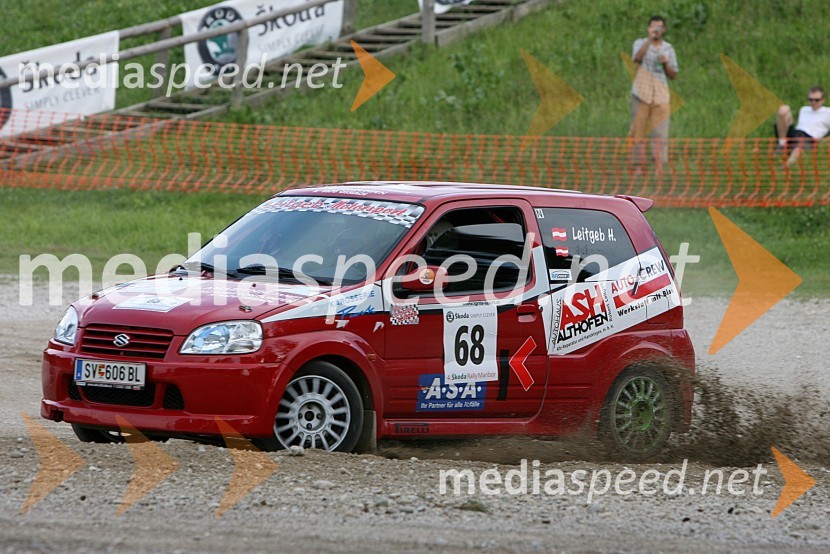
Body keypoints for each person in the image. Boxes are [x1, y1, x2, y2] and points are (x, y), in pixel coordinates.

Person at [630, 15, 679, 174]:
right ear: (649, 28)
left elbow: (673, 74)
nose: (656, 30)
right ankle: (638, 166)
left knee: (660, 132)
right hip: (641, 92)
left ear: (664, 29)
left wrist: (665, 64)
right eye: (653, 27)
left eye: (659, 27)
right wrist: (650, 40)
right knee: (638, 130)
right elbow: (637, 58)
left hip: (660, 94)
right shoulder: (639, 43)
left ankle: (659, 166)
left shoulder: (668, 48)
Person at [775, 86, 830, 166]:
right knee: (784, 109)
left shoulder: (828, 112)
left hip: (810, 138)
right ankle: (781, 144)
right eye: (810, 100)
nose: (813, 102)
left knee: (799, 148)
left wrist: (823, 141)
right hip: (796, 132)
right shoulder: (804, 109)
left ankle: (785, 167)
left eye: (816, 100)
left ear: (823, 100)